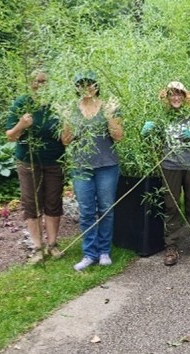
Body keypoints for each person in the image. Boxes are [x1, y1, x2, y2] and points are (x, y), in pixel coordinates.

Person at [62, 70, 124, 271]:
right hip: (81, 166)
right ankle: (89, 253)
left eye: (90, 83)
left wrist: (108, 115)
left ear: (96, 86)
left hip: (107, 165)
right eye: (81, 84)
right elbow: (66, 140)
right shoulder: (72, 110)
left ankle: (104, 251)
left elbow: (118, 136)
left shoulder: (109, 106)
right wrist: (65, 119)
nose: (86, 88)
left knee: (106, 208)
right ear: (76, 87)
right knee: (87, 211)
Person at [141, 81, 190, 266]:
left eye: (179, 94)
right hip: (170, 166)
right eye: (172, 94)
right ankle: (171, 246)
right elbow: (153, 144)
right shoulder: (162, 117)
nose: (176, 97)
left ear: (185, 97)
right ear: (167, 97)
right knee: (171, 207)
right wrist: (148, 133)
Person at [6, 69, 66, 264]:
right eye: (37, 82)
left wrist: (66, 121)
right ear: (30, 83)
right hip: (28, 162)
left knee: (53, 202)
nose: (41, 85)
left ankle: (53, 245)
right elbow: (10, 135)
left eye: (44, 82)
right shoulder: (22, 103)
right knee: (31, 203)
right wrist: (21, 124)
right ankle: (37, 247)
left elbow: (66, 139)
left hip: (55, 161)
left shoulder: (58, 105)